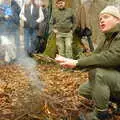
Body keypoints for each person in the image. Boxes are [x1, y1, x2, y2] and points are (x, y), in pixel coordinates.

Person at [55, 5, 120, 120]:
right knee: (84, 89)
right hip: (116, 79)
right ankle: (110, 102)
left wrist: (77, 62)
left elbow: (113, 57)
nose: (102, 21)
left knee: (99, 73)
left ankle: (101, 114)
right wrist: (73, 64)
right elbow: (95, 57)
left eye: (106, 17)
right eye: (100, 19)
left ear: (117, 19)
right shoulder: (106, 38)